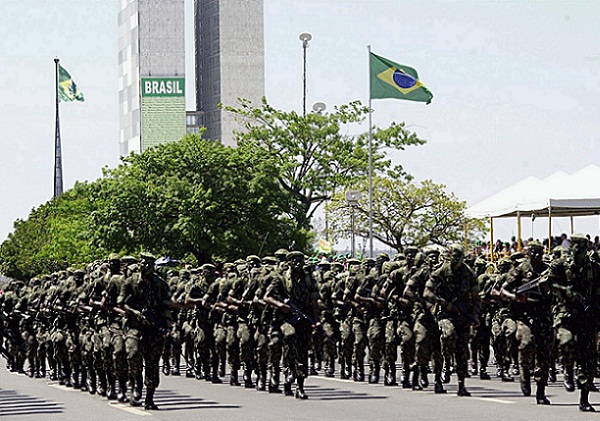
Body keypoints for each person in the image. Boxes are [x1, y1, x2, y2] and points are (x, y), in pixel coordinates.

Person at [119, 252, 173, 410]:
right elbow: (122, 303)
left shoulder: (160, 284)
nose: (145, 267)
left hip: (154, 329)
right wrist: (135, 313)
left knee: (152, 363)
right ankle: (136, 383)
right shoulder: (130, 282)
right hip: (134, 326)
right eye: (143, 263)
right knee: (133, 355)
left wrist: (168, 326)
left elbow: (167, 306)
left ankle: (149, 398)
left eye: (149, 264)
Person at [424, 244, 480, 396]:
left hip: (463, 315)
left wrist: (475, 315)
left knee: (462, 349)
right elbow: (427, 292)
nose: (455, 261)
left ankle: (461, 384)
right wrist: (445, 303)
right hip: (444, 314)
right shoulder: (441, 271)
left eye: (458, 258)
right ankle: (440, 375)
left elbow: (476, 297)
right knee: (448, 335)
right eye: (453, 257)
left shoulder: (469, 273)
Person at [264, 251, 320, 399]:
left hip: (303, 319)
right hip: (285, 319)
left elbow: (314, 301)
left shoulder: (308, 279)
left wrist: (316, 321)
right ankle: (289, 370)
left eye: (300, 260)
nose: (298, 263)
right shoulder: (281, 278)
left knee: (302, 351)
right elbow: (267, 297)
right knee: (290, 336)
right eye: (294, 260)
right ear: (288, 262)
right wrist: (281, 305)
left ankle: (299, 386)